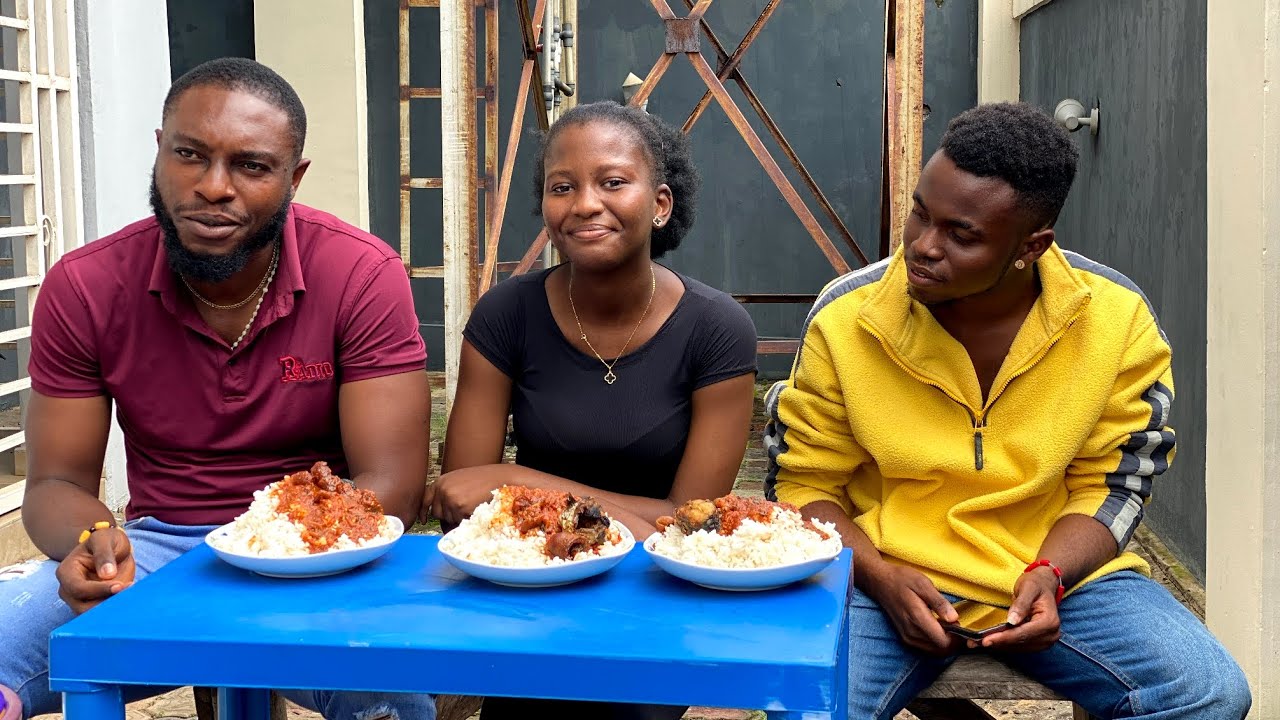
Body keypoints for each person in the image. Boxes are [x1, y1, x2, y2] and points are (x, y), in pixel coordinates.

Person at [764, 103, 1252, 719]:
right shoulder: (846, 314)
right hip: (882, 574)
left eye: (961, 235)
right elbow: (803, 483)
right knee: (802, 706)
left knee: (1208, 693)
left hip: (1059, 577)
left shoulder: (1116, 318)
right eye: (920, 213)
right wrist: (882, 577)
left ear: (1032, 245)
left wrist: (1052, 572)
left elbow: (1114, 483)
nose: (922, 246)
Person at [0, 58, 436, 720]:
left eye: (251, 166)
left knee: (388, 704)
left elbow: (391, 487)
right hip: (157, 555)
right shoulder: (87, 285)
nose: (212, 187)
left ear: (295, 178)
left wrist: (274, 551)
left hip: (315, 558)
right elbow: (53, 485)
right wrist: (93, 536)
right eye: (189, 155)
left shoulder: (359, 274)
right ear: (159, 151)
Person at [425, 100, 758, 720]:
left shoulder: (716, 330)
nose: (584, 203)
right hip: (528, 583)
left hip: (654, 599)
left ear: (660, 204)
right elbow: (461, 502)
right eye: (562, 187)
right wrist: (622, 516)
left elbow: (690, 531)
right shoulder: (506, 316)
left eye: (612, 182)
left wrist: (515, 481)